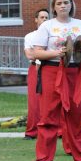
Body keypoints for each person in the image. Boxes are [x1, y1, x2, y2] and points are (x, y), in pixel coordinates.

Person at [33, 0, 81, 161]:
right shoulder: (47, 26)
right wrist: (57, 53)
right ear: (54, 7)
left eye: (66, 3)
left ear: (71, 5)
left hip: (75, 72)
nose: (63, 6)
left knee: (76, 115)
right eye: (59, 3)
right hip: (52, 70)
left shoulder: (80, 24)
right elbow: (37, 52)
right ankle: (42, 158)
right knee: (49, 114)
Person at [23, 8, 49, 140]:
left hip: (50, 68)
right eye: (42, 17)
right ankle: (32, 131)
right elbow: (29, 54)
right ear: (36, 19)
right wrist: (44, 54)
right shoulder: (30, 36)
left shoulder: (52, 36)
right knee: (34, 100)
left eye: (46, 17)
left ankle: (58, 130)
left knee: (52, 100)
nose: (44, 20)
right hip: (34, 69)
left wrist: (39, 53)